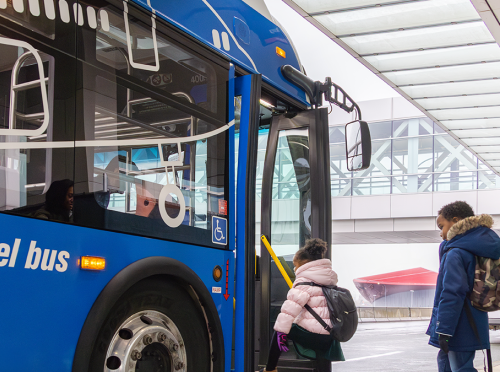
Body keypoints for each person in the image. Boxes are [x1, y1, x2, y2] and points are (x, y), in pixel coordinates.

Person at [427, 201, 500, 372]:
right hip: (474, 318)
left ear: (455, 220)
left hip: (457, 324)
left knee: (460, 368)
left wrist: (444, 330)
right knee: (448, 364)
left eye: (441, 226)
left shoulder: (456, 252)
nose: (440, 233)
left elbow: (452, 293)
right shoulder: (477, 247)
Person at [258, 238, 344, 372]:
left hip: (315, 336)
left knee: (280, 329)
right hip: (330, 337)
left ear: (304, 264)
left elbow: (288, 313)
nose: (295, 268)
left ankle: (270, 369)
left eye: (296, 265)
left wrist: (282, 334)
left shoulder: (304, 282)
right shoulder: (329, 281)